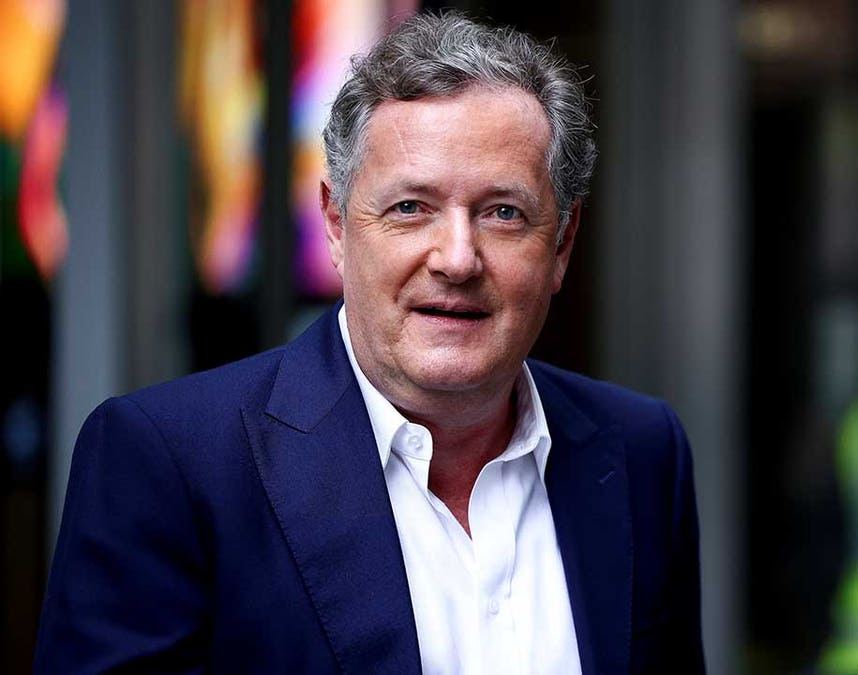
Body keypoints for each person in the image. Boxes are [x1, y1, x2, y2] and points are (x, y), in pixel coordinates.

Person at [34, 12, 703, 674]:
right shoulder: (169, 464)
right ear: (336, 224)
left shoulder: (641, 451)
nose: (457, 259)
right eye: (411, 208)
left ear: (561, 243)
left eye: (504, 212)